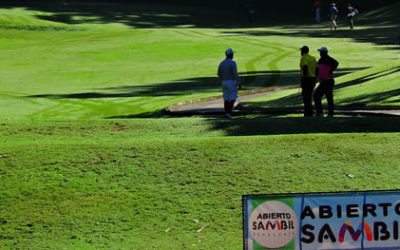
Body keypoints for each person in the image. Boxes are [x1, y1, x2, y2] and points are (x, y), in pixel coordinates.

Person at [314, 47, 339, 117]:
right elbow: (317, 69)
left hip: (328, 81)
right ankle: (322, 113)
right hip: (323, 81)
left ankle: (327, 113)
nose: (320, 53)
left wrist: (331, 70)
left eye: (321, 52)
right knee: (319, 95)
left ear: (324, 52)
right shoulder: (320, 60)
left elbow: (336, 63)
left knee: (324, 96)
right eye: (320, 52)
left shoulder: (328, 58)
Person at [218, 48, 239, 119]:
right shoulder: (233, 62)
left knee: (226, 98)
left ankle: (226, 113)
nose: (233, 55)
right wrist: (237, 82)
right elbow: (235, 74)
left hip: (223, 82)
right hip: (231, 82)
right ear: (230, 55)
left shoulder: (222, 63)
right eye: (232, 54)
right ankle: (229, 112)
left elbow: (219, 74)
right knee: (233, 97)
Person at [299, 46, 317, 117]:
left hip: (306, 79)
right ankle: (310, 112)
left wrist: (303, 77)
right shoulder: (313, 58)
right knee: (309, 96)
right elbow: (317, 68)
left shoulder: (303, 57)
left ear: (303, 51)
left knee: (306, 97)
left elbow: (305, 67)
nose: (300, 52)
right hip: (312, 79)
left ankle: (307, 113)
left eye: (301, 51)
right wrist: (315, 77)